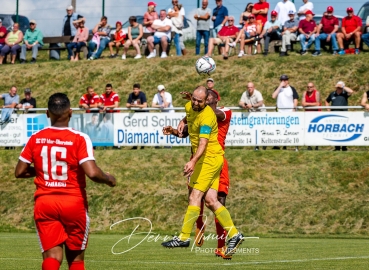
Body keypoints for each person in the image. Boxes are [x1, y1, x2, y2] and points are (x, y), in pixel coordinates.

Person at [14, 93, 116, 270]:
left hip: (45, 203)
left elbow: (19, 172)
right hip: (73, 202)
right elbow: (92, 172)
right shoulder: (79, 138)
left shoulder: (35, 138)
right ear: (70, 112)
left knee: (52, 257)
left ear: (47, 113)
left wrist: (42, 171)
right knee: (75, 259)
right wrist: (109, 179)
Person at [161, 86, 244, 260]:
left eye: (200, 100)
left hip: (210, 158)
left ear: (208, 102)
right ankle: (235, 235)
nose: (196, 103)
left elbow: (203, 143)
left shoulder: (208, 117)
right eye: (194, 100)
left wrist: (192, 161)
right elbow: (189, 127)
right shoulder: (189, 107)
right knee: (210, 200)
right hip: (207, 159)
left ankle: (184, 237)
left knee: (194, 196)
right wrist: (176, 130)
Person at [325, 81, 354, 151]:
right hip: (334, 115)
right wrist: (328, 110)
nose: (338, 88)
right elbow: (326, 101)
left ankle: (344, 147)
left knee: (344, 130)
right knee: (335, 131)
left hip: (343, 115)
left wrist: (343, 86)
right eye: (337, 87)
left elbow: (351, 91)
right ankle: (337, 147)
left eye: (339, 87)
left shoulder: (345, 93)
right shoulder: (332, 94)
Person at [272, 75, 298, 151]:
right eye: (282, 80)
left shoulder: (292, 89)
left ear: (287, 80)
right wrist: (280, 87)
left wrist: (294, 108)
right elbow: (273, 96)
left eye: (285, 80)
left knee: (289, 130)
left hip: (289, 112)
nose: (284, 81)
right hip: (280, 112)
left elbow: (295, 99)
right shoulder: (278, 88)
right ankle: (277, 144)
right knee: (278, 129)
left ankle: (290, 145)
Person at [302, 82, 320, 150]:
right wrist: (312, 104)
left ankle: (316, 145)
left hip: (316, 114)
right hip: (308, 114)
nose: (309, 88)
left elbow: (317, 103)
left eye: (311, 87)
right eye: (308, 87)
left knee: (316, 130)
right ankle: (309, 145)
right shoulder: (305, 93)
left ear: (313, 87)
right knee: (308, 130)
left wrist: (307, 104)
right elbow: (303, 104)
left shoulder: (316, 93)